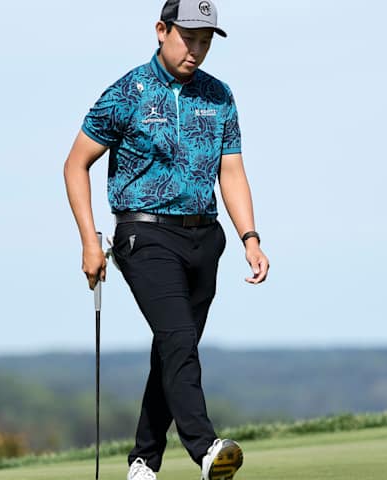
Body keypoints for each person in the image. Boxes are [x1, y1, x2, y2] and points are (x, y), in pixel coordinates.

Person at [63, 1, 269, 479]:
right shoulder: (127, 92)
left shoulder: (219, 96)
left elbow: (231, 172)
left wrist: (250, 237)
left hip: (205, 238)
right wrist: (89, 241)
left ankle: (143, 461)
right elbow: (75, 164)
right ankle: (206, 448)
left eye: (205, 42)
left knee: (173, 350)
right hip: (145, 234)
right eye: (188, 38)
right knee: (179, 341)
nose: (196, 50)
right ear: (161, 30)